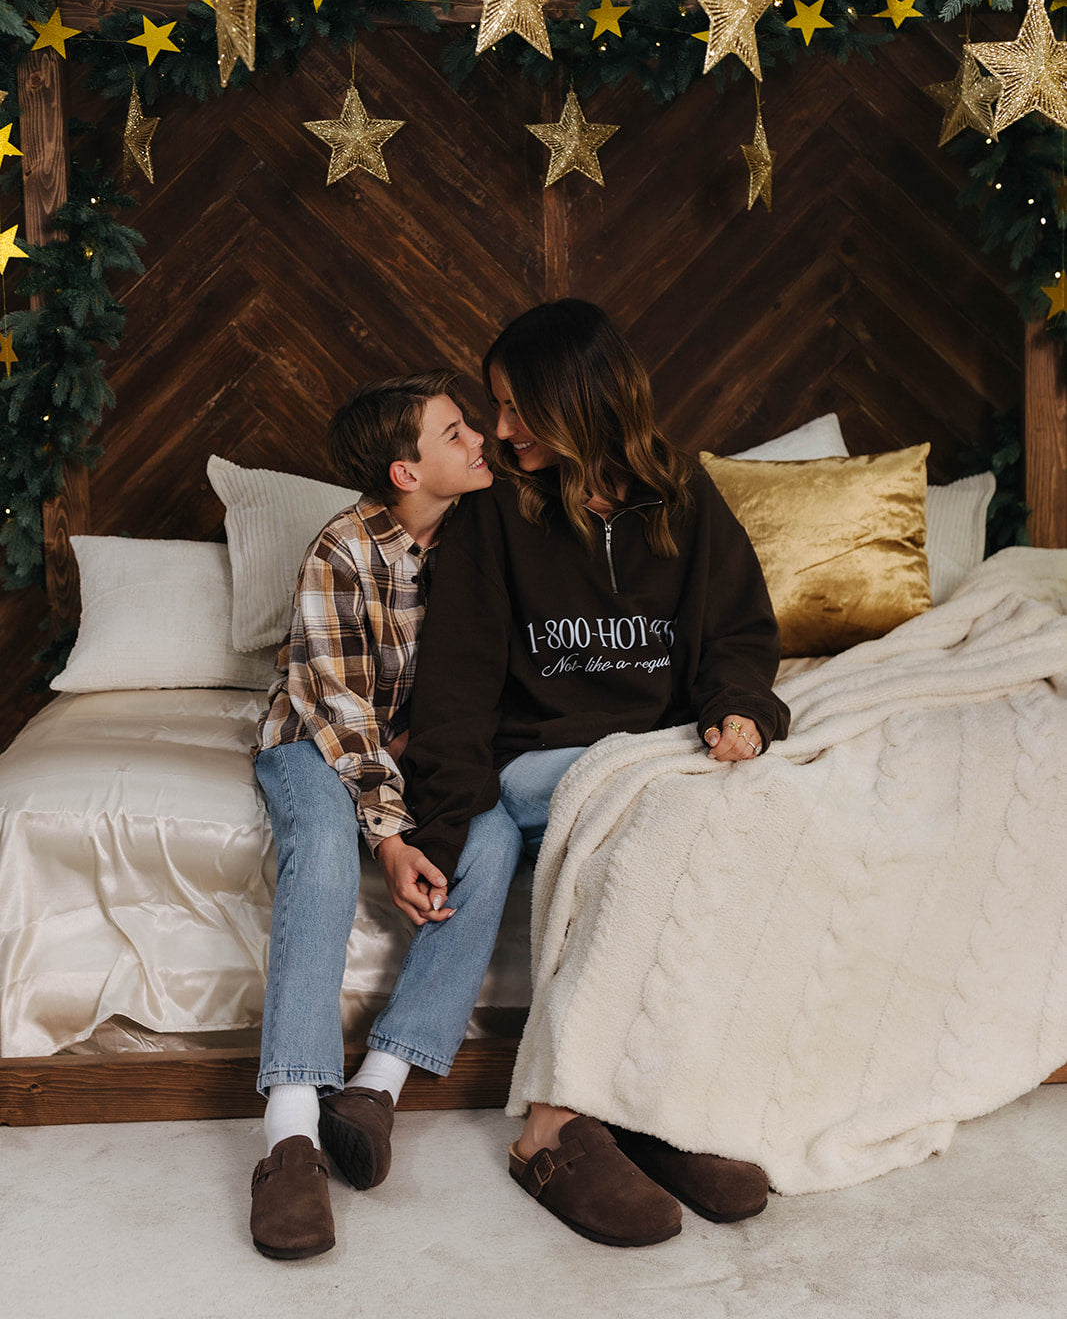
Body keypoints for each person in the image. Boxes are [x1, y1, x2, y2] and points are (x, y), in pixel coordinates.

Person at [396, 301, 790, 1247]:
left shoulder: (685, 497)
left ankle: (644, 1103)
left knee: (717, 818)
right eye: (491, 410)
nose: (498, 432)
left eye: (514, 408)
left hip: (651, 759)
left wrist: (736, 710)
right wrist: (441, 829)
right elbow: (452, 686)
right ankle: (552, 1125)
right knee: (649, 809)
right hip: (538, 764)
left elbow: (740, 633)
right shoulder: (494, 517)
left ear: (578, 400)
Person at [248, 370, 523, 1261]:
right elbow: (345, 716)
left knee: (490, 837)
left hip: (418, 749)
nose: (479, 439)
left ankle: (378, 1084)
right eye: (454, 433)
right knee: (324, 846)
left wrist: (430, 804)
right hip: (314, 738)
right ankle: (290, 1131)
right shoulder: (342, 549)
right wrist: (392, 836)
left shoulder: (485, 533)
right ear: (406, 473)